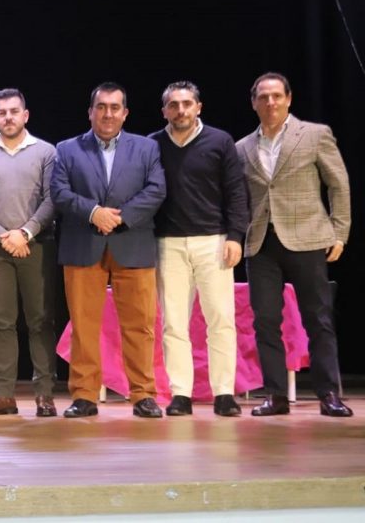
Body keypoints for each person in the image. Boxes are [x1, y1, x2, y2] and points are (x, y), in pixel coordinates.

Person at [236, 72, 352, 417]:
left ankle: (328, 393)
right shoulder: (242, 147)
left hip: (308, 237)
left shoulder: (315, 135)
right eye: (263, 97)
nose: (270, 102)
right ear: (254, 102)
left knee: (317, 317)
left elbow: (339, 184)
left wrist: (340, 231)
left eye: (276, 96)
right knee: (265, 321)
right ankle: (275, 394)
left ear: (288, 99)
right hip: (260, 243)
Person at [50, 82, 166, 419]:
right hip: (83, 244)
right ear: (91, 112)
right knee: (84, 326)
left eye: (115, 107)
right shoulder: (67, 149)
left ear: (125, 113)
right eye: (101, 107)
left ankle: (143, 395)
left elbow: (156, 190)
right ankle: (84, 396)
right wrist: (93, 212)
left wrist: (120, 218)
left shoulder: (147, 149)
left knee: (140, 325)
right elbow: (58, 191)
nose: (108, 113)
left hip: (133, 243)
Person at [150, 81, 248, 417]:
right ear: (164, 110)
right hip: (168, 244)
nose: (180, 110)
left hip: (214, 242)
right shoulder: (153, 145)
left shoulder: (220, 141)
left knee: (220, 319)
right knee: (173, 323)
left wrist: (236, 236)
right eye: (173, 105)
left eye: (187, 104)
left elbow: (236, 193)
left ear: (198, 107)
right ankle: (181, 394)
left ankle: (224, 393)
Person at [0, 89, 59, 418]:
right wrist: (4, 236)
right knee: (1, 324)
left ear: (25, 115)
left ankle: (44, 395)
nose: (8, 117)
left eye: (14, 111)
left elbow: (52, 199)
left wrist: (25, 232)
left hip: (37, 246)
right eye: (2, 112)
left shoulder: (46, 152)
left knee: (40, 322)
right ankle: (3, 395)